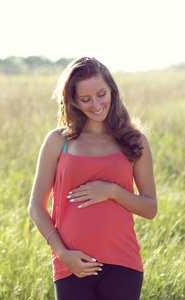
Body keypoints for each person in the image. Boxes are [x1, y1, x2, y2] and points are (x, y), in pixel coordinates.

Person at [27, 57, 157, 300]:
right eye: (85, 99)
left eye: (101, 94)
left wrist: (113, 191)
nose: (96, 104)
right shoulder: (58, 141)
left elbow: (150, 208)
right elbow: (35, 206)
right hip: (71, 265)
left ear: (112, 91)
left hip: (123, 264)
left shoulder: (135, 141)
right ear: (73, 101)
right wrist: (62, 253)